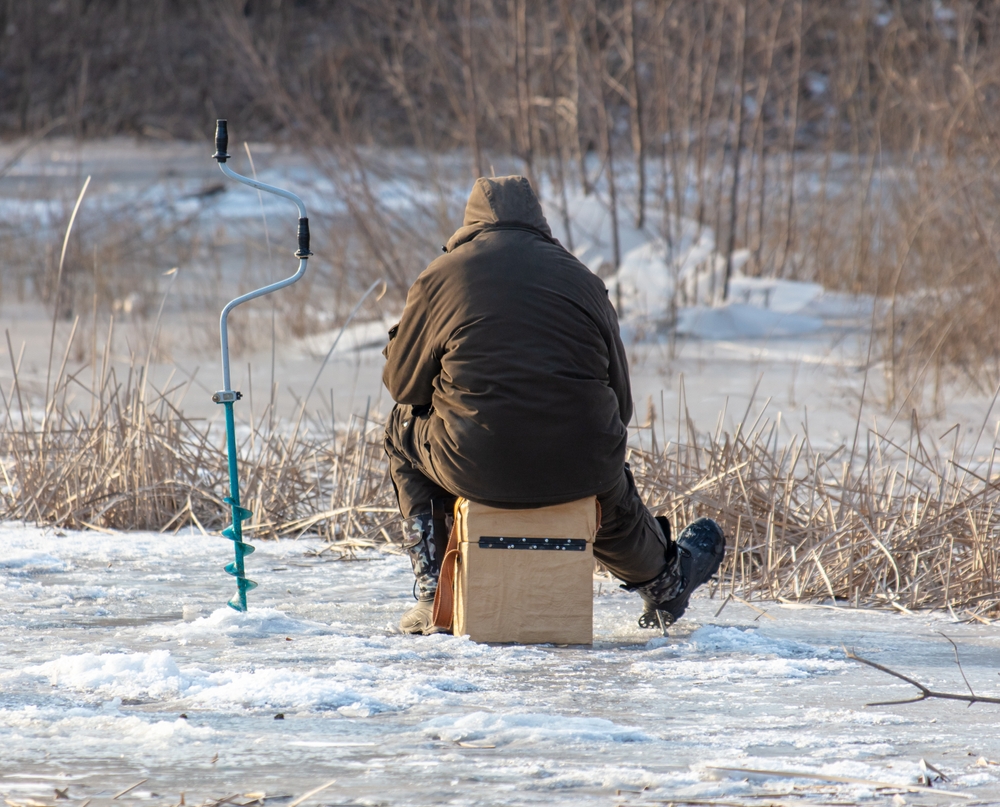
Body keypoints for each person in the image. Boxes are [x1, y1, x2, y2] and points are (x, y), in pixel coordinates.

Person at [382, 175, 725, 635]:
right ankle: (666, 583)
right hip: (583, 466)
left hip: (474, 465)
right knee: (605, 487)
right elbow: (620, 406)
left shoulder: (442, 275)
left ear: (471, 224)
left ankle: (434, 592)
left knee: (401, 427)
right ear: (538, 222)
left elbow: (404, 388)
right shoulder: (582, 278)